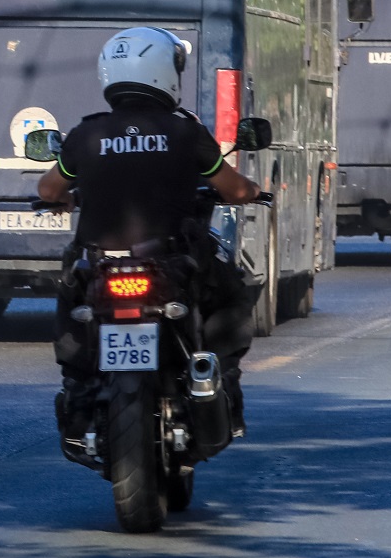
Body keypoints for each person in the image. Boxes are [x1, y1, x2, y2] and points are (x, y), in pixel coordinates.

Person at [35, 26, 264, 461]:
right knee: (232, 292)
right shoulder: (185, 133)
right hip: (171, 264)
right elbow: (233, 190)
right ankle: (221, 382)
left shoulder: (87, 135)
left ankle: (79, 393)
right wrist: (253, 190)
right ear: (167, 72)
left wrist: (67, 195)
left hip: (101, 266)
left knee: (70, 302)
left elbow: (48, 190)